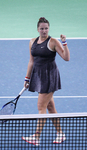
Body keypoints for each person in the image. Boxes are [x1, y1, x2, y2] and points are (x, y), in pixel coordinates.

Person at [22, 17, 70, 146]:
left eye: (46, 28)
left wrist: (64, 43)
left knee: (41, 106)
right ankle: (61, 134)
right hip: (38, 76)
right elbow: (31, 61)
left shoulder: (53, 42)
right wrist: (27, 78)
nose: (44, 31)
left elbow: (66, 58)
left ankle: (36, 137)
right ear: (38, 29)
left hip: (50, 77)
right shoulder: (32, 42)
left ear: (48, 29)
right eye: (42, 28)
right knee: (50, 107)